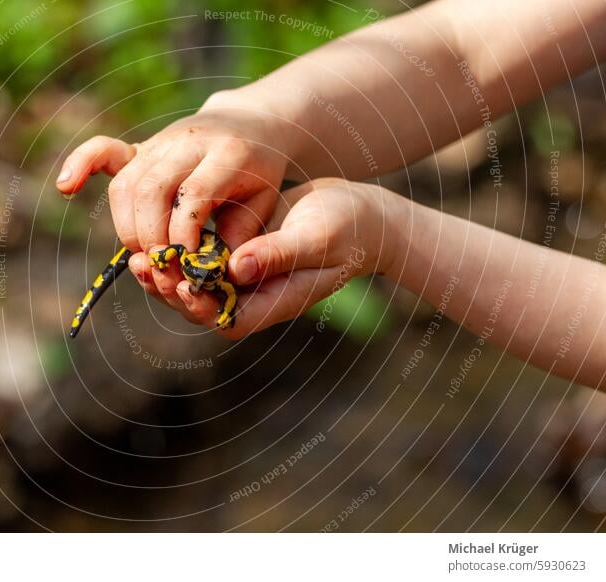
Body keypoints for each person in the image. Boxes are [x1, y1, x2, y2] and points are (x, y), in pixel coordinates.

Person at [56, 0, 606, 388]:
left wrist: (393, 235)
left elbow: (224, 295)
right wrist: (261, 116)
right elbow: (463, 51)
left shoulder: (220, 275)